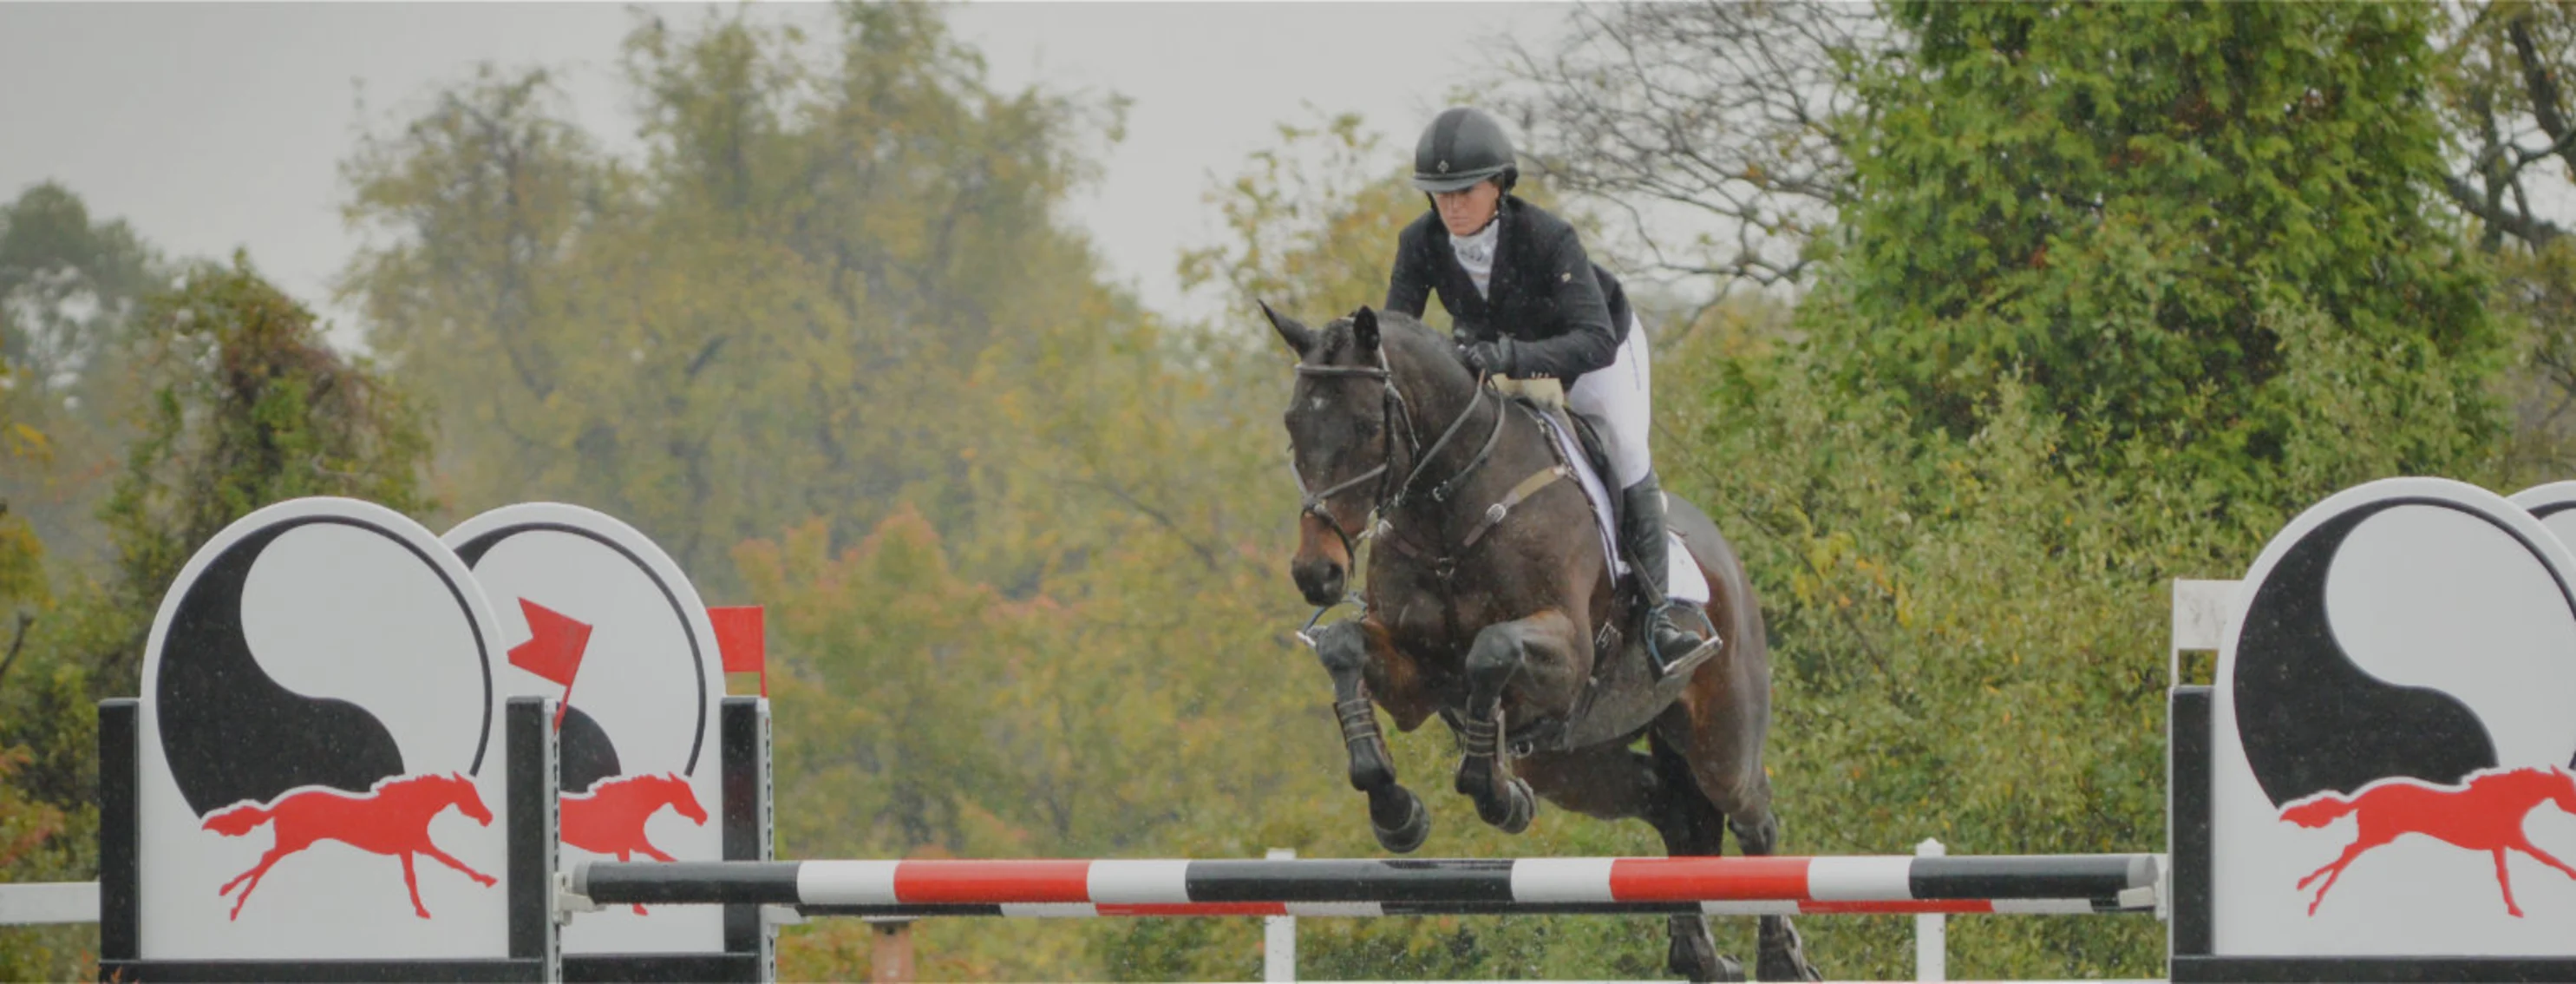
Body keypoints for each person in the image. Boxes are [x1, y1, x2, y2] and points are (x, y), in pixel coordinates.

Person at [1383, 106, 1713, 678]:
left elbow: (1594, 339)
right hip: (1497, 360)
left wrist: (1511, 357)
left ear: (1499, 185)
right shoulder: (1420, 242)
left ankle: (1662, 614)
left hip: (1591, 354)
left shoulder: (1548, 236)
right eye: (1440, 194)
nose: (1452, 205)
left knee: (1626, 447)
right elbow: (1398, 334)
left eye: (1465, 190)